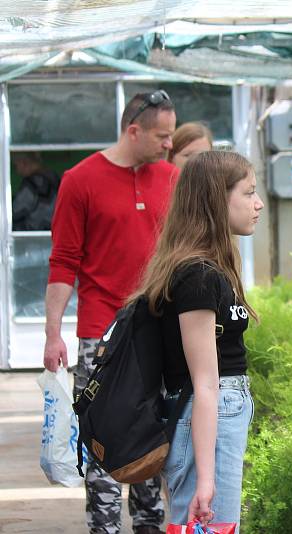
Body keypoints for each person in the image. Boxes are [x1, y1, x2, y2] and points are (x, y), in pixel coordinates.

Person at [44, 90, 178, 534]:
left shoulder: (171, 179)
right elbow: (63, 261)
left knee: (154, 444)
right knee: (102, 444)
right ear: (133, 130)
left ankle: (149, 526)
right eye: (161, 136)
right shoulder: (80, 180)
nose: (168, 145)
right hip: (100, 337)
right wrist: (52, 334)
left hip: (158, 333)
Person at [130, 151, 262, 532]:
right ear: (218, 200)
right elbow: (204, 384)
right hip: (208, 416)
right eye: (248, 193)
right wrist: (206, 479)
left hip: (213, 414)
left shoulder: (207, 268)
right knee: (211, 527)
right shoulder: (198, 276)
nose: (258, 204)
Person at [11, 151, 60, 231]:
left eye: (16, 166)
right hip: (54, 234)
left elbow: (15, 213)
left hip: (34, 237)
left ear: (24, 163)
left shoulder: (31, 185)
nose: (17, 171)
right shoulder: (55, 178)